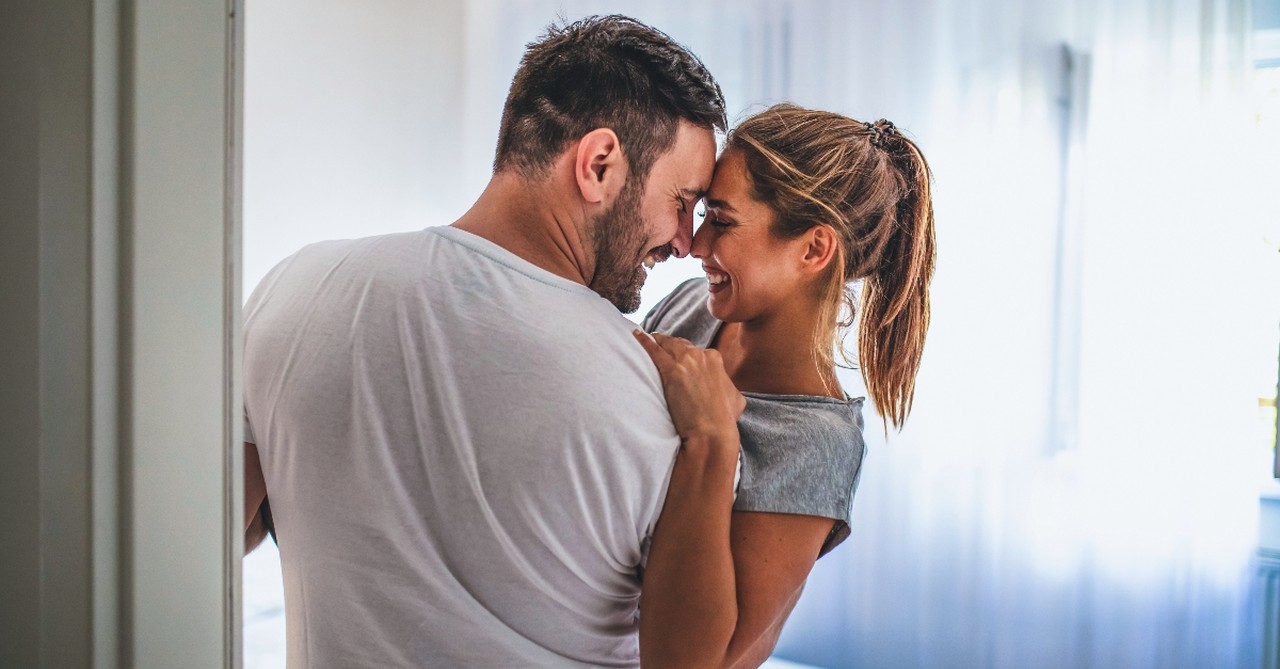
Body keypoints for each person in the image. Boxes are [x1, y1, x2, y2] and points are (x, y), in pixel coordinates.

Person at [240, 15, 728, 667]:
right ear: (599, 164)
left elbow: (208, 535)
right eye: (683, 200)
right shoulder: (660, 389)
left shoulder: (294, 289)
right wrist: (716, 441)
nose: (686, 240)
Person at [632, 103, 936, 668]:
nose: (694, 246)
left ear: (813, 250)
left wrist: (714, 437)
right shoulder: (692, 312)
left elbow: (696, 662)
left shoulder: (816, 442)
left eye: (722, 221)